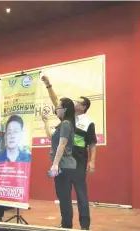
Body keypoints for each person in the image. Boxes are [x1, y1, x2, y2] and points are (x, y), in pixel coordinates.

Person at [42, 75, 97, 230]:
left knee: (81, 194)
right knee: (63, 195)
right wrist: (48, 85)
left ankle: (84, 225)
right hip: (64, 162)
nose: (74, 103)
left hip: (79, 162)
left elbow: (92, 143)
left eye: (77, 102)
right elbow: (56, 103)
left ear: (84, 107)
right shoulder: (67, 118)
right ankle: (66, 223)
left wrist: (92, 161)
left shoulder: (88, 123)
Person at [41, 97, 77, 229]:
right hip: (61, 165)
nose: (56, 109)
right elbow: (52, 138)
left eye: (59, 107)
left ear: (65, 109)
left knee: (64, 197)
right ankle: (65, 223)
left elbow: (62, 145)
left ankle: (67, 225)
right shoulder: (62, 124)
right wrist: (45, 122)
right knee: (62, 196)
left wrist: (55, 164)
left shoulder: (66, 124)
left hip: (64, 165)